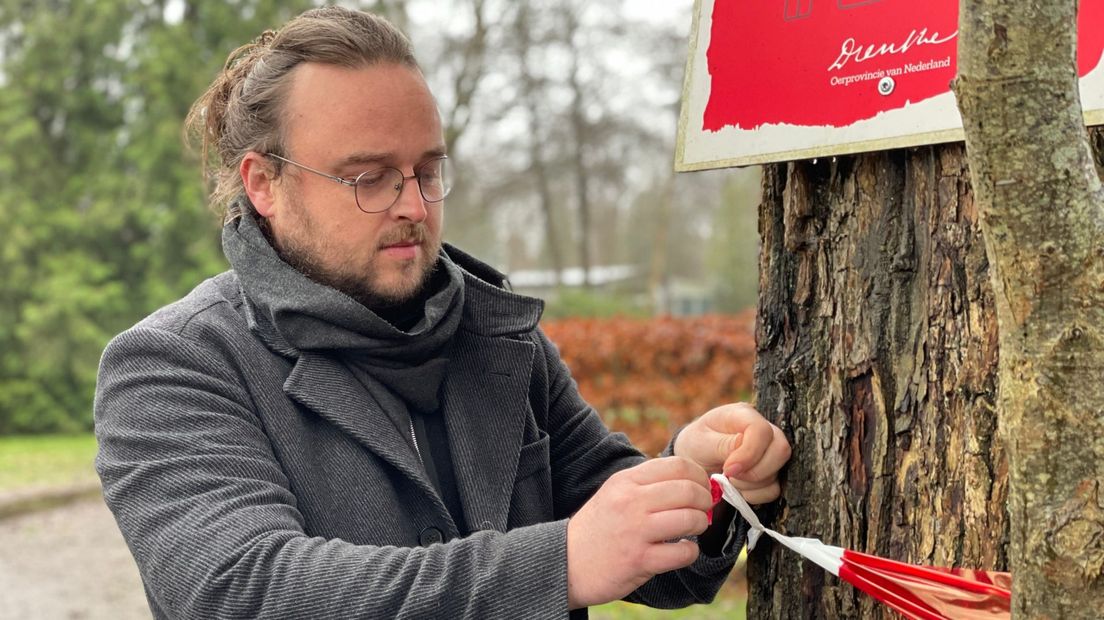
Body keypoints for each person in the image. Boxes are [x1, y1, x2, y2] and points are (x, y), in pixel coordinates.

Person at [93, 6, 791, 619]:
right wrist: (559, 565)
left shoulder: (497, 338)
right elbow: (244, 591)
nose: (413, 206)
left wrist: (701, 483)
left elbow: (625, 540)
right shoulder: (172, 366)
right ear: (265, 184)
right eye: (369, 178)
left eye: (428, 171)